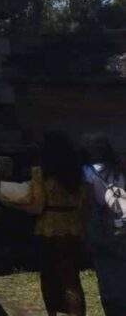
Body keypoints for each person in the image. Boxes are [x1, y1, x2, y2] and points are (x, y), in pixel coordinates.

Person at [0, 130, 87, 316]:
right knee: (71, 279)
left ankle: (53, 313)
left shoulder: (42, 173)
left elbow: (37, 206)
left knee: (49, 278)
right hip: (73, 226)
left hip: (48, 228)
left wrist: (11, 202)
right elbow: (84, 204)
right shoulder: (77, 173)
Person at [81, 133, 126, 316]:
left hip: (100, 225)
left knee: (105, 269)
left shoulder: (86, 171)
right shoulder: (119, 167)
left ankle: (113, 308)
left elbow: (88, 201)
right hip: (122, 222)